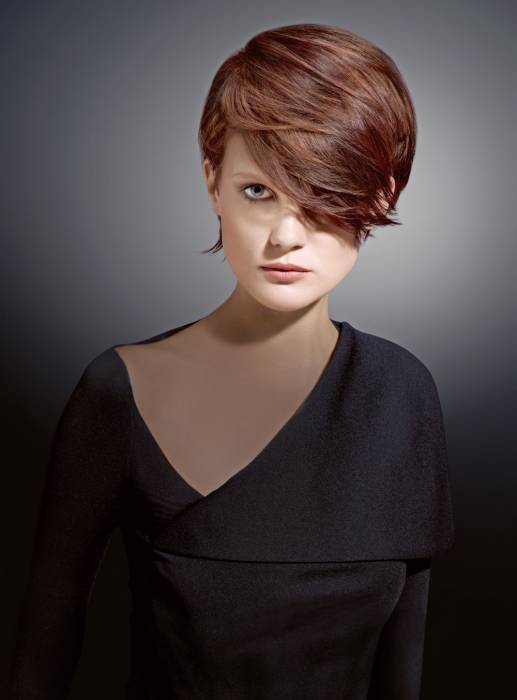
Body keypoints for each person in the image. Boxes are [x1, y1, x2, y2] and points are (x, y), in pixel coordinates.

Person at [8, 22, 455, 699]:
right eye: (257, 191)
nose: (285, 235)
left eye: (322, 194)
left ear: (381, 194)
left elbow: (405, 663)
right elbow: (44, 645)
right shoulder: (123, 390)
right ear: (212, 182)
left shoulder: (401, 393)